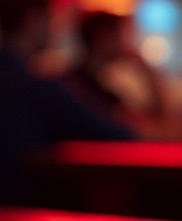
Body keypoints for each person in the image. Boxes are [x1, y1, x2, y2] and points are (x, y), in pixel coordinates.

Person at [0, 0, 132, 206]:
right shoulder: (39, 87)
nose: (56, 29)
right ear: (33, 21)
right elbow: (114, 133)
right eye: (53, 19)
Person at [63, 11, 171, 139]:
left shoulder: (98, 86)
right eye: (122, 35)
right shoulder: (76, 87)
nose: (126, 44)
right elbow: (150, 124)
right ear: (103, 39)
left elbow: (156, 117)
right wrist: (144, 68)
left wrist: (145, 69)